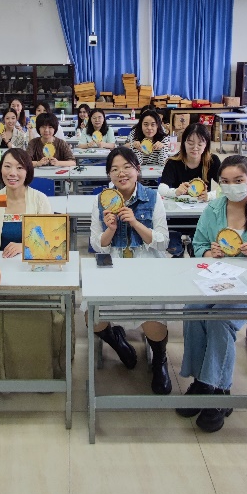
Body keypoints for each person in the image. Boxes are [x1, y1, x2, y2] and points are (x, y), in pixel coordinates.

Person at [181, 154, 247, 432]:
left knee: (220, 319)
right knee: (193, 310)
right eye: (226, 182)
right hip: (214, 280)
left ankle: (219, 390)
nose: (232, 187)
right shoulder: (212, 210)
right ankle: (201, 381)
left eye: (238, 180)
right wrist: (209, 252)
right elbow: (198, 245)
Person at [89, 147, 172, 394]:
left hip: (147, 261)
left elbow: (163, 242)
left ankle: (160, 359)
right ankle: (117, 341)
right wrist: (111, 230)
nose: (121, 173)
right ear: (109, 174)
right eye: (114, 169)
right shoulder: (101, 200)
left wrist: (135, 222)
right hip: (113, 261)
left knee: (152, 320)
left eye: (127, 167)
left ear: (137, 169)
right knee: (93, 318)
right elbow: (96, 244)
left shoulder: (153, 197)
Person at [0, 149, 68, 379]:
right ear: (0, 169)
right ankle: (8, 370)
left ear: (28, 171)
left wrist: (24, 245)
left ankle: (42, 370)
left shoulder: (39, 199)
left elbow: (51, 241)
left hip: (35, 273)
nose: (13, 173)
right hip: (3, 276)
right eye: (7, 166)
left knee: (39, 318)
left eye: (19, 168)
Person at [158, 122, 221, 256]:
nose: (195, 148)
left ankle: (195, 246)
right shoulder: (173, 162)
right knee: (175, 250)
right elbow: (162, 188)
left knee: (199, 251)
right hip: (175, 216)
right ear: (184, 143)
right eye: (190, 143)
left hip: (202, 216)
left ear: (206, 145)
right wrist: (175, 191)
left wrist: (210, 195)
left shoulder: (212, 161)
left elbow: (226, 187)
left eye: (200, 144)